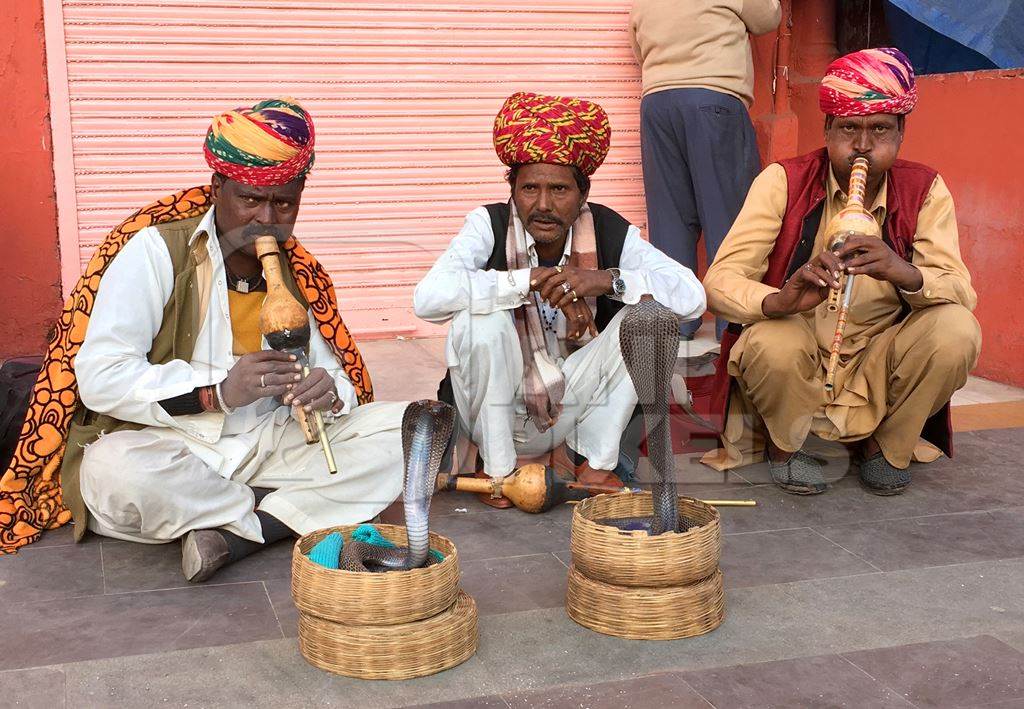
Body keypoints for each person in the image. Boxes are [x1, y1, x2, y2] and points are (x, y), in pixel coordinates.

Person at [0, 98, 407, 580]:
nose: (266, 218)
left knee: (411, 427)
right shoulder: (156, 252)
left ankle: (232, 533)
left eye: (284, 202)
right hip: (174, 443)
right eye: (250, 199)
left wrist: (330, 390)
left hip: (271, 440)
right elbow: (100, 379)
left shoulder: (301, 273)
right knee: (113, 473)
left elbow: (336, 375)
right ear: (218, 189)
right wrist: (217, 391)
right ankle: (286, 512)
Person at [702, 48, 980, 495]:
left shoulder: (924, 189)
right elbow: (718, 283)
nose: (863, 146)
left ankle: (885, 448)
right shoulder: (783, 181)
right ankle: (785, 446)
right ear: (829, 129)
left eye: (880, 130)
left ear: (901, 133)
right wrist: (780, 300)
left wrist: (901, 270)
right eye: (849, 128)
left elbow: (960, 291)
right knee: (773, 339)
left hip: (879, 354)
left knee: (957, 329)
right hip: (801, 350)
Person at [413, 92, 705, 506]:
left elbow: (692, 296)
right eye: (530, 187)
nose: (544, 204)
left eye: (559, 189)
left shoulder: (606, 229)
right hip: (495, 407)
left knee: (651, 319)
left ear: (582, 195)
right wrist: (523, 281)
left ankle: (597, 466)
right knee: (481, 321)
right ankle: (499, 472)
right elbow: (428, 299)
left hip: (574, 408)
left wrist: (605, 280)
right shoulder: (488, 224)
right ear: (512, 189)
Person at [629, 0, 781, 341]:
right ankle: (733, 324)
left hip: (657, 103)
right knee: (730, 215)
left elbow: (638, 48)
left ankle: (677, 321)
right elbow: (769, 18)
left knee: (670, 216)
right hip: (713, 98)